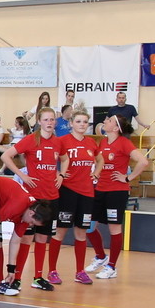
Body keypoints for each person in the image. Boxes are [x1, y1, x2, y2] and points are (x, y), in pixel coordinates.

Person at [0, 106, 65, 292]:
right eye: (46, 119)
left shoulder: (57, 142)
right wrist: (22, 174)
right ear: (39, 121)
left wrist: (61, 175)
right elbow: (6, 156)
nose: (49, 123)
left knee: (43, 238)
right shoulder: (31, 139)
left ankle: (38, 277)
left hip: (52, 197)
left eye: (52, 119)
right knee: (26, 238)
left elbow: (65, 159)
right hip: (33, 198)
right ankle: (17, 278)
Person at [87, 114, 149, 278]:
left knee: (114, 229)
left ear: (116, 128)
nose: (105, 121)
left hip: (117, 192)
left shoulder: (124, 143)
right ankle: (101, 256)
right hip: (100, 189)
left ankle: (112, 267)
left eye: (109, 120)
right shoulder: (103, 142)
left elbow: (143, 162)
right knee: (88, 226)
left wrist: (128, 178)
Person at [56, 109, 99, 283]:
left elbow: (101, 160)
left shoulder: (91, 143)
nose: (82, 125)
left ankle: (80, 272)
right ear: (71, 123)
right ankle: (52, 271)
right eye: (79, 121)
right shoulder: (62, 141)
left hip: (87, 193)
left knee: (81, 233)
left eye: (85, 122)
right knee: (60, 232)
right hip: (67, 191)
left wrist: (96, 173)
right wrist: (58, 173)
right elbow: (50, 160)